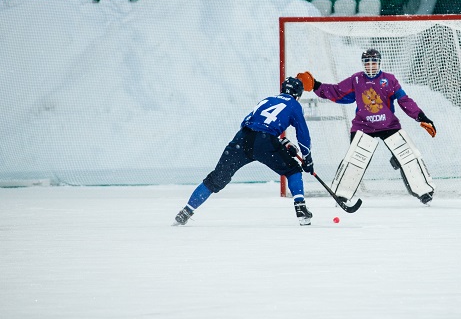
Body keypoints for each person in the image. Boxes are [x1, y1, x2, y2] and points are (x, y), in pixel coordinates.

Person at [296, 48, 437, 205]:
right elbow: (337, 92)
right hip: (363, 126)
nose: (370, 66)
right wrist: (316, 85)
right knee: (355, 161)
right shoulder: (356, 80)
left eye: (374, 62)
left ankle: (424, 191)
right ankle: (341, 195)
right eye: (367, 62)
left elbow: (404, 100)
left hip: (389, 125)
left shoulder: (390, 80)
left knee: (408, 155)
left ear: (379, 63)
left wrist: (420, 117)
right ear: (363, 64)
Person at [173, 77, 315, 226]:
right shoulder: (294, 105)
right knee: (293, 170)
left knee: (216, 178)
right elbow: (303, 135)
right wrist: (307, 158)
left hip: (243, 138)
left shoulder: (266, 100)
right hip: (265, 141)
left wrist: (279, 141)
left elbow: (249, 121)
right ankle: (301, 209)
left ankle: (186, 211)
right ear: (297, 94)